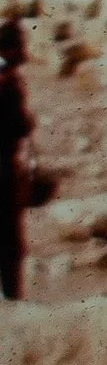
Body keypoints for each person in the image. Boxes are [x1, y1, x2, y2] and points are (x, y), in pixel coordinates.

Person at [0, 21, 29, 300]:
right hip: (2, 170)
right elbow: (18, 125)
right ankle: (11, 303)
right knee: (9, 244)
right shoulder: (6, 80)